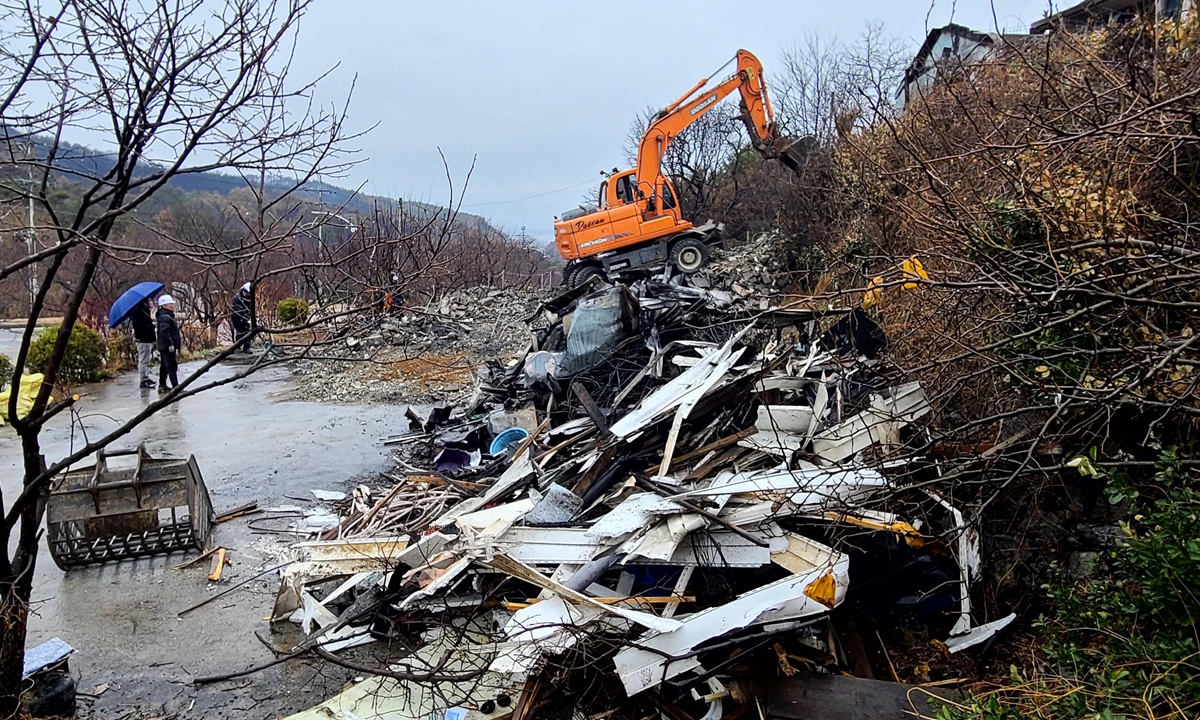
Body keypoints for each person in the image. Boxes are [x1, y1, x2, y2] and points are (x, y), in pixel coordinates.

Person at [156, 294, 181, 393]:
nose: (172, 306)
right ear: (164, 305)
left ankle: (162, 385)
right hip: (167, 346)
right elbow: (165, 331)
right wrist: (170, 343)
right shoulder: (165, 317)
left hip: (164, 346)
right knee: (171, 366)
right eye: (170, 304)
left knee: (164, 367)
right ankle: (176, 387)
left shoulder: (165, 316)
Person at [131, 297, 156, 389]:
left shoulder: (144, 311)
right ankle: (143, 379)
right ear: (144, 303)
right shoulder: (139, 313)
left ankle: (145, 377)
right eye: (149, 301)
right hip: (143, 340)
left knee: (145, 360)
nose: (151, 302)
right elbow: (141, 328)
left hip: (146, 340)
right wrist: (151, 327)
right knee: (143, 361)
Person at [231, 282, 252, 353]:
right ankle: (237, 346)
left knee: (248, 331)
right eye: (246, 292)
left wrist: (250, 317)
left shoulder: (250, 298)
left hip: (246, 317)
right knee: (240, 332)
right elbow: (240, 310)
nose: (247, 294)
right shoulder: (237, 298)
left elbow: (251, 308)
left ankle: (247, 347)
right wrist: (247, 318)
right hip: (237, 318)